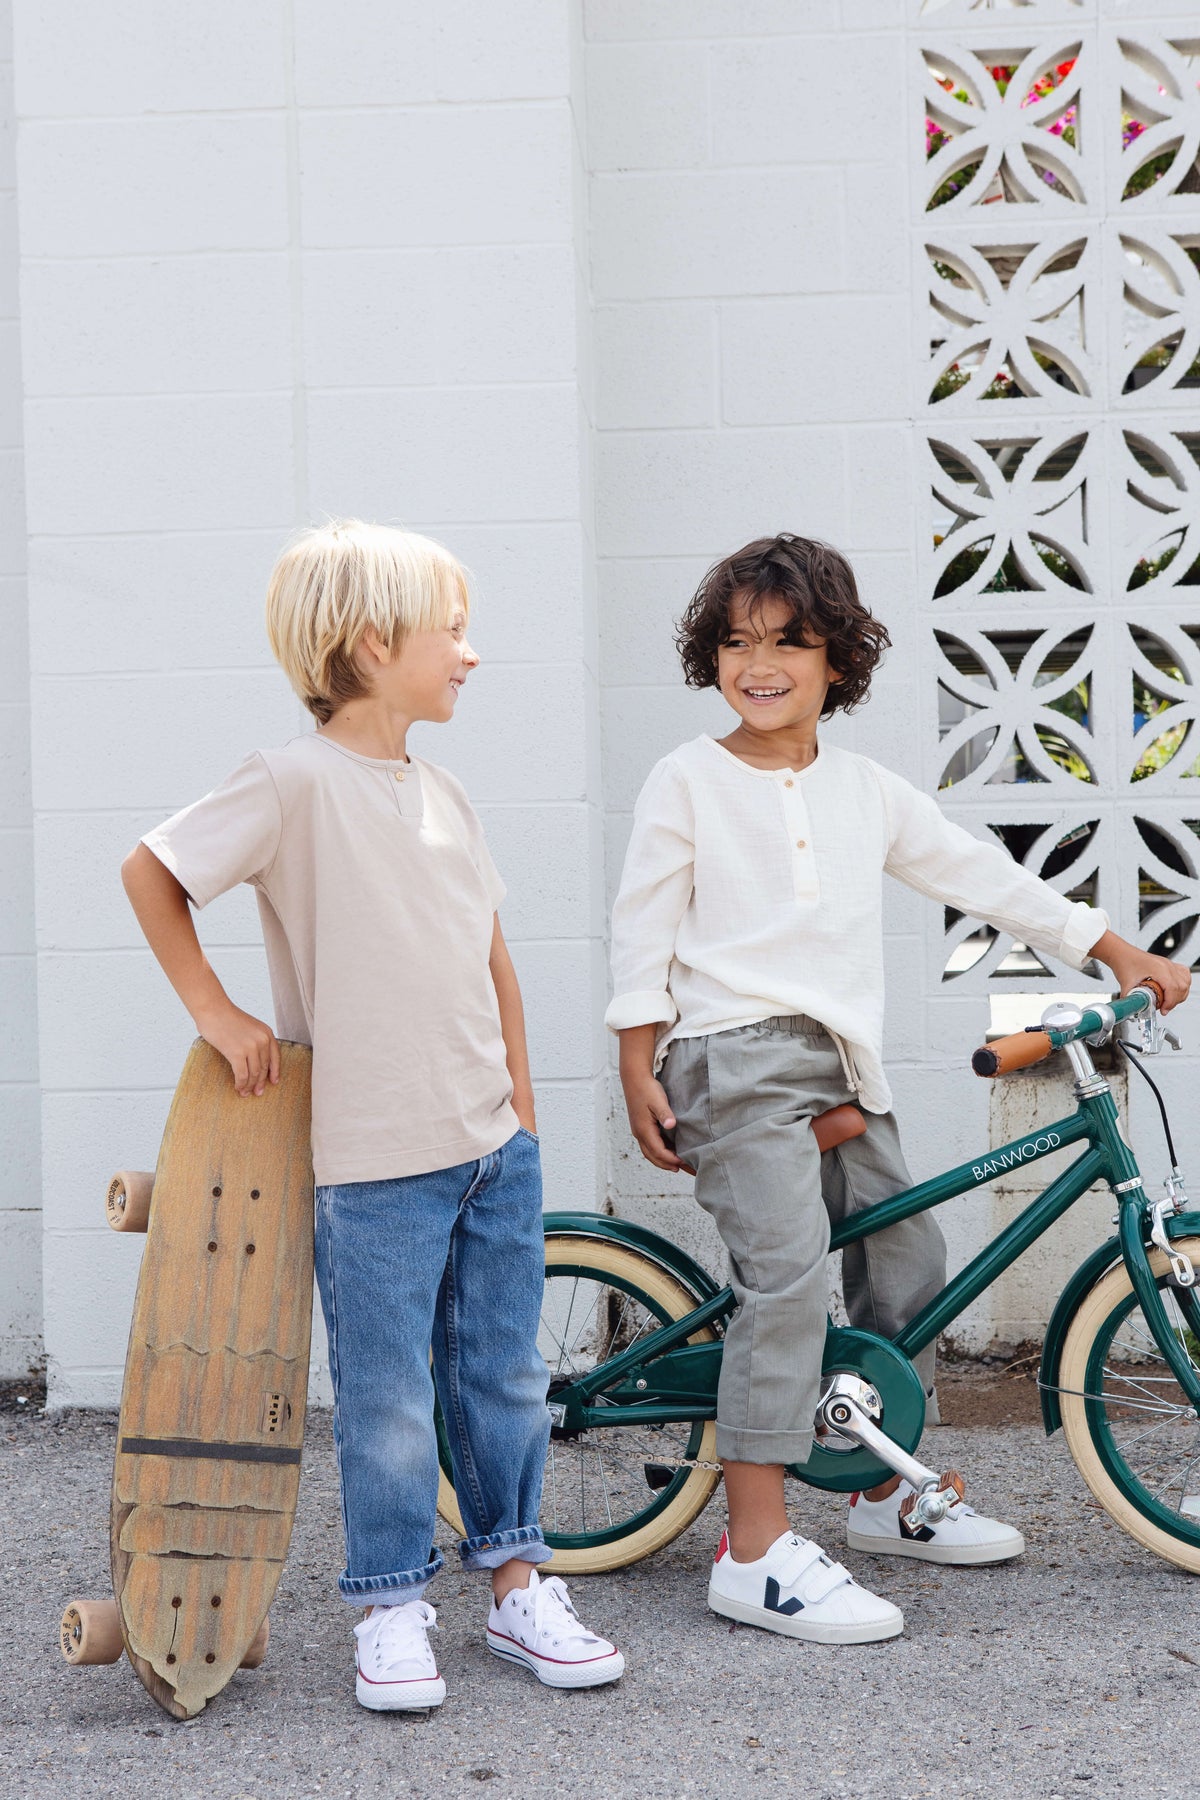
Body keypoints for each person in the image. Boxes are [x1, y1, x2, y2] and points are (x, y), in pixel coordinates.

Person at [607, 532, 1189, 1645]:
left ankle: (879, 1491)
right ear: (710, 656)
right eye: (736, 642)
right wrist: (638, 1059)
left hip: (838, 1068)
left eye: (790, 641)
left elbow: (983, 877)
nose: (759, 663)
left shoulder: (866, 791)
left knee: (911, 1263)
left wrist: (1113, 948)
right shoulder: (687, 779)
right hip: (728, 1060)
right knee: (784, 1284)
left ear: (840, 662)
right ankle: (756, 1549)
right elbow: (643, 930)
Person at [122, 519, 623, 1708]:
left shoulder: (444, 790)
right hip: (368, 1158)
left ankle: (514, 1584)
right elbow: (152, 870)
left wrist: (526, 1114)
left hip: (489, 1146)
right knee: (390, 1396)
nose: (470, 653)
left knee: (502, 1377)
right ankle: (391, 1604)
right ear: (369, 642)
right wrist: (218, 1012)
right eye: (452, 629)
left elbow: (489, 958)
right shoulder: (288, 783)